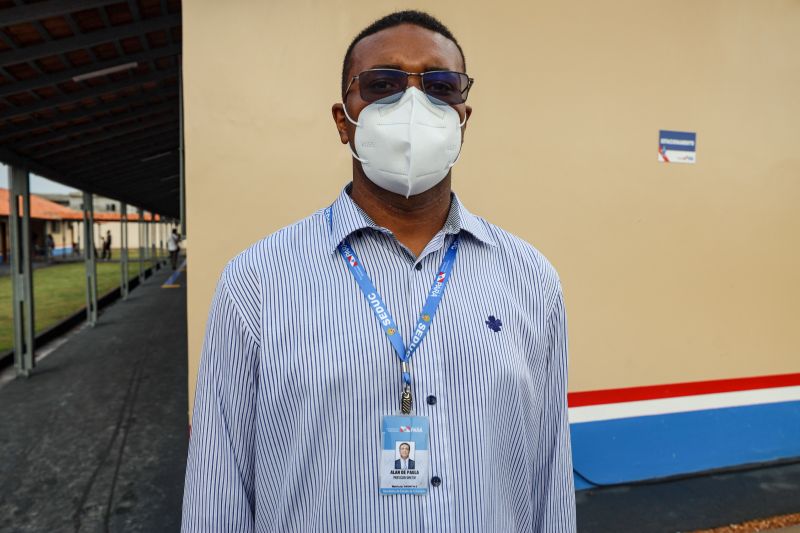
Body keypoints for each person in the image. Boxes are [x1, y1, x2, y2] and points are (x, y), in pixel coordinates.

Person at [183, 10, 575, 533]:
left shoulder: (531, 279)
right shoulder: (256, 282)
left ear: (463, 120)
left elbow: (550, 474)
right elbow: (220, 479)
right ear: (343, 120)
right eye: (382, 85)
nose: (413, 105)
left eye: (440, 86)